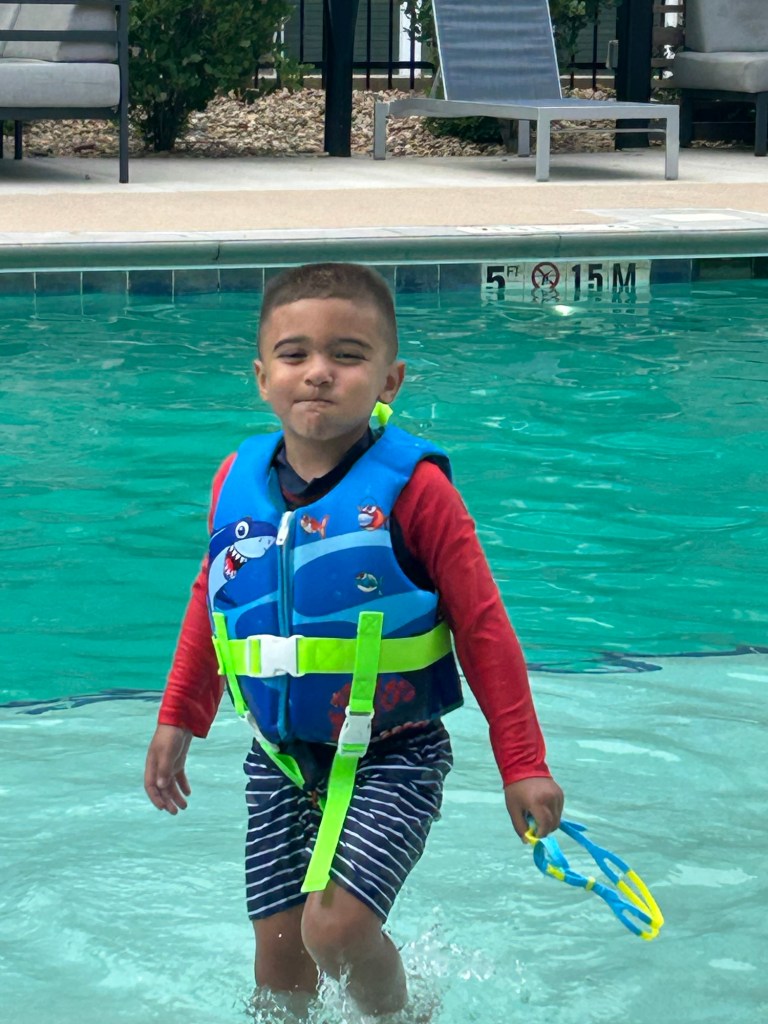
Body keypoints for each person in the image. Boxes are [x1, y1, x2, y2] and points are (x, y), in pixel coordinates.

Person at [144, 262, 564, 1019]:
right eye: (295, 354)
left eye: (347, 355)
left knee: (335, 929)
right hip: (279, 757)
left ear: (388, 379)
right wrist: (179, 716)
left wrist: (523, 765)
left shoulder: (417, 492)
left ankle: (400, 1017)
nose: (318, 373)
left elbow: (483, 627)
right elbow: (214, 599)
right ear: (262, 376)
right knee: (280, 958)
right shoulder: (236, 480)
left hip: (395, 753)